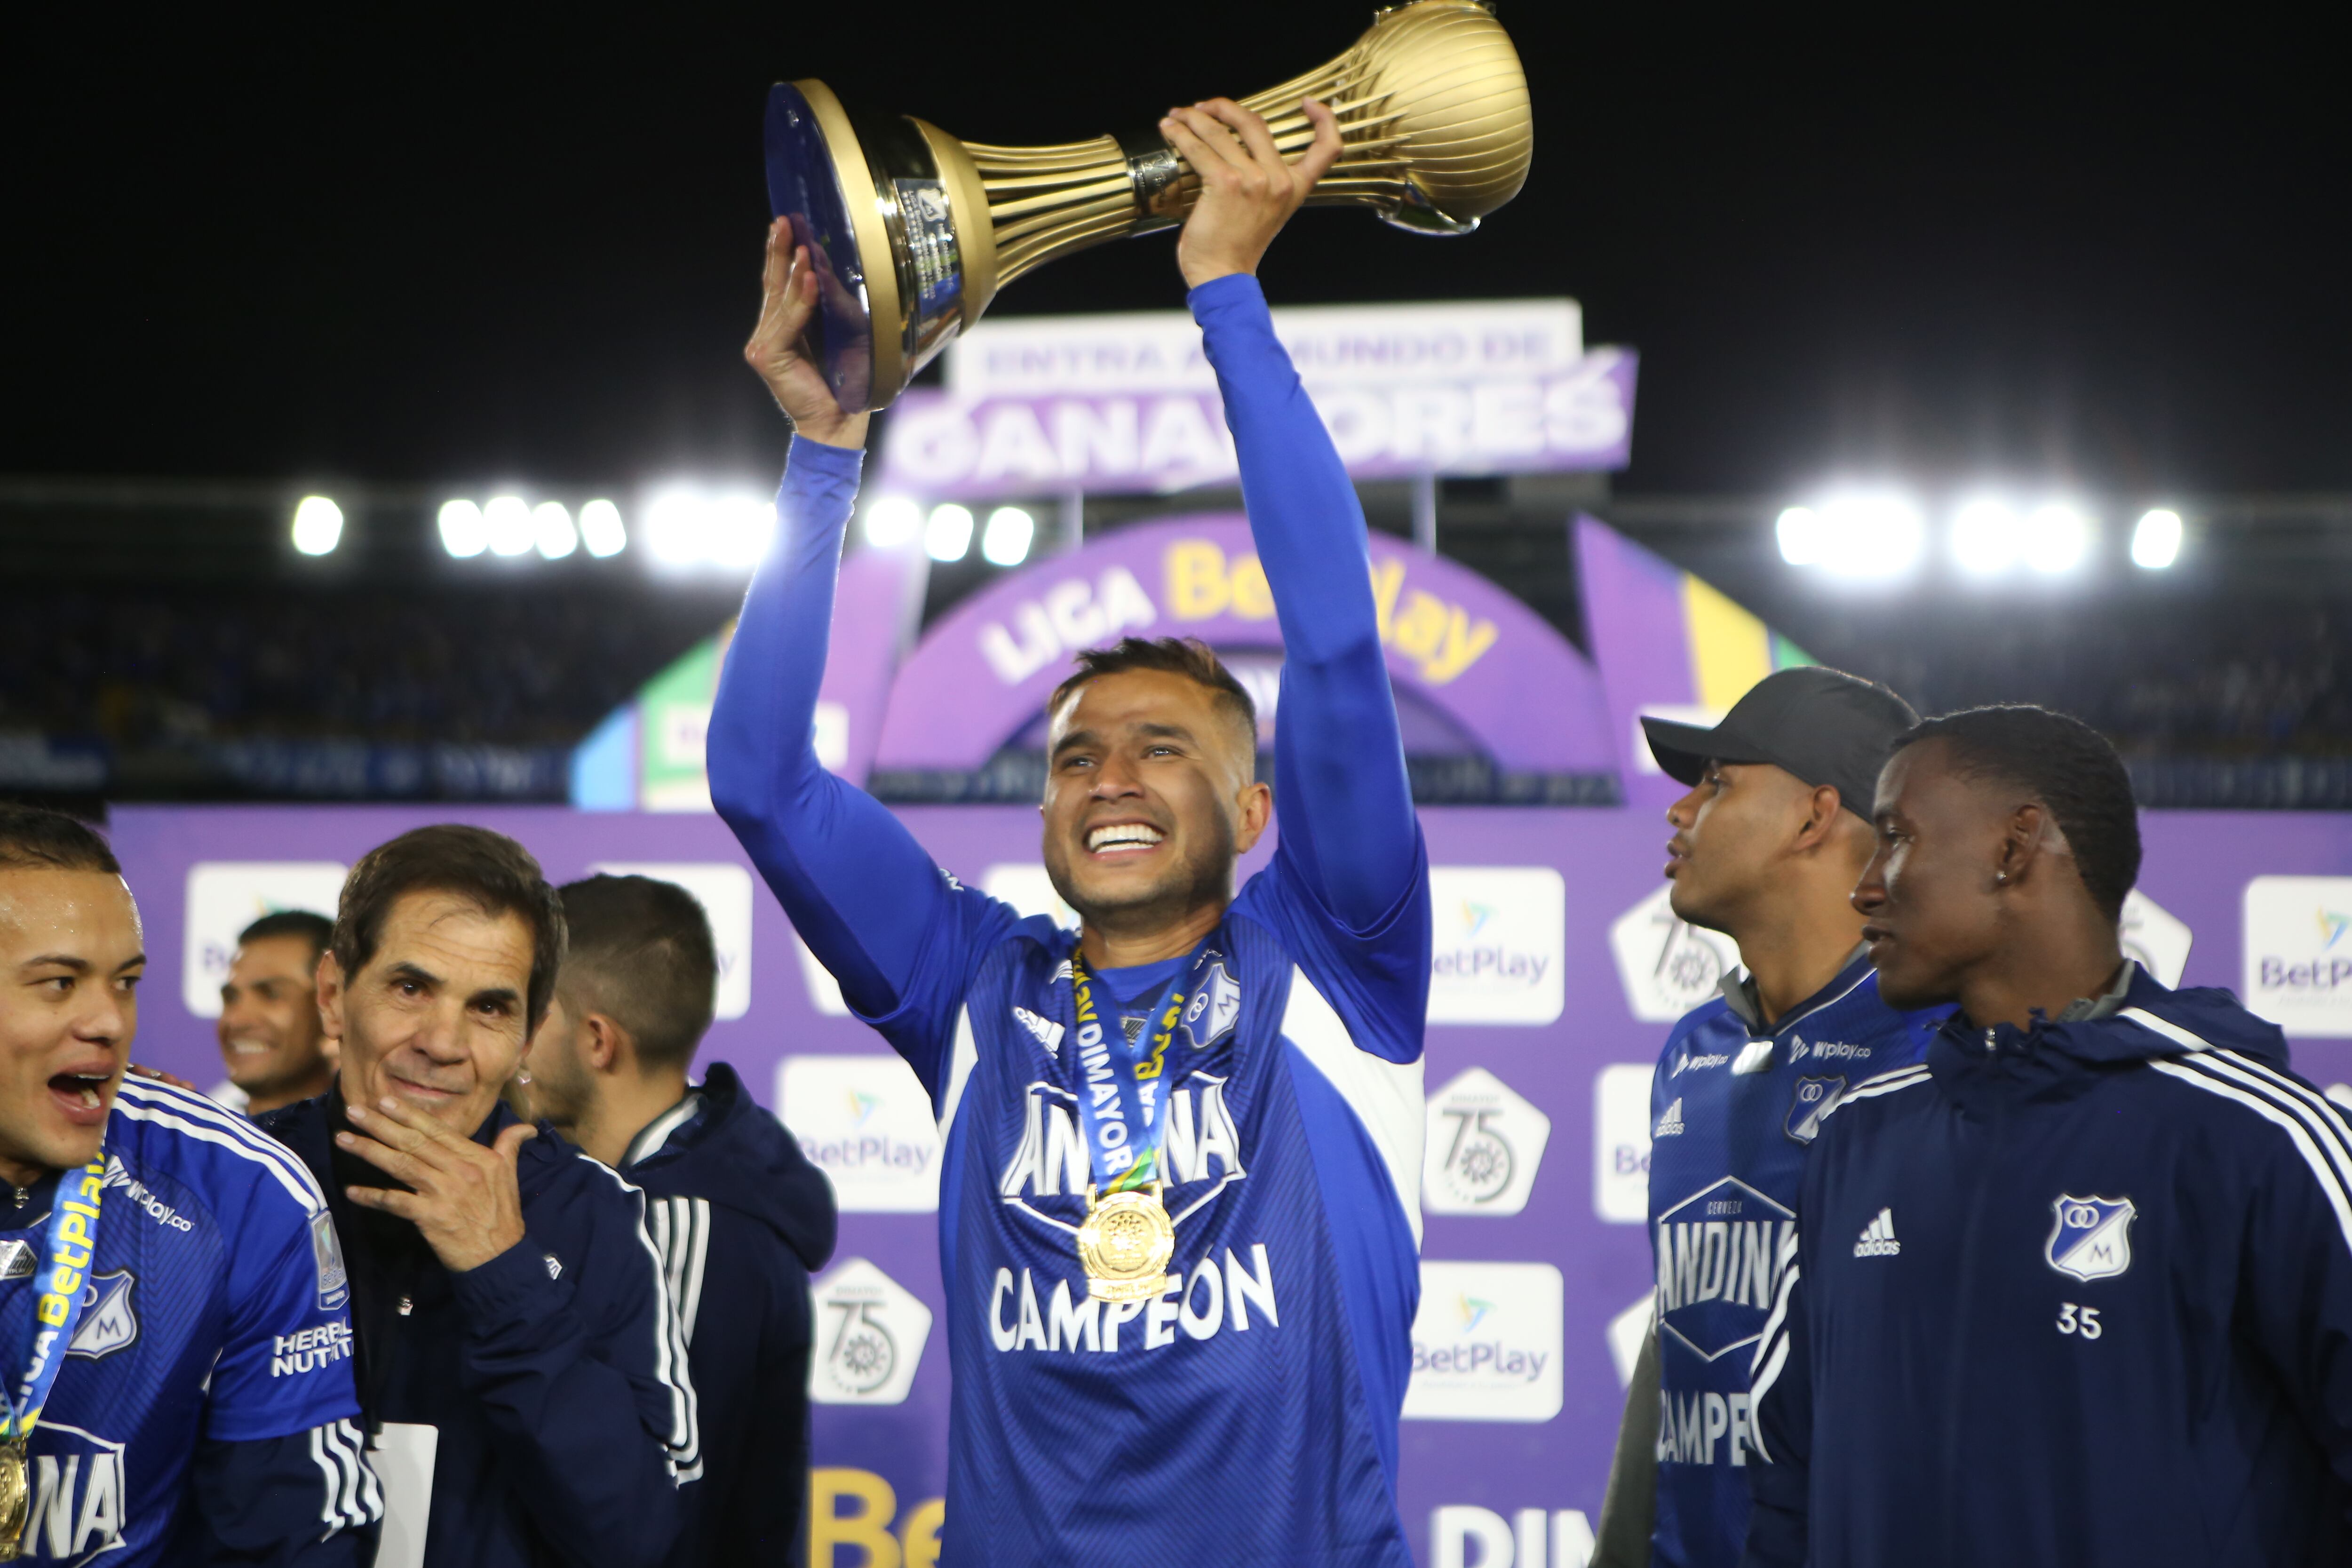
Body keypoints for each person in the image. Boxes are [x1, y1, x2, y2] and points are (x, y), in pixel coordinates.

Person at [711, 96, 1430, 1567]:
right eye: (1076, 756)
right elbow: (762, 784)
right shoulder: (971, 984)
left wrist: (1225, 291)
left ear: (1252, 808)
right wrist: (824, 454)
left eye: (1162, 749)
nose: (1109, 777)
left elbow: (1341, 651)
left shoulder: (1338, 958)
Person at [1745, 706, 2352, 1567]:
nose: (1866, 884)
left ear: (2015, 845)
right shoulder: (1855, 1136)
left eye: (1897, 838)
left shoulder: (2262, 1139)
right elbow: (1786, 1474)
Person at [261, 825, 700, 1568]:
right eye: (411, 987)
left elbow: (634, 1536)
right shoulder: (240, 1188)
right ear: (335, 997)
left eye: (490, 1008)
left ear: (528, 1040)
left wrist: (504, 1273)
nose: (442, 1041)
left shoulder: (597, 1219)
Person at [1589, 669, 1950, 1568]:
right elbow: (1680, 1338)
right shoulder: (1696, 1047)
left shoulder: (1946, 1050)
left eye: (1716, 783)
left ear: (1812, 816)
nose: (1680, 812)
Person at [0, 804, 379, 1565]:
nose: (109, 1020)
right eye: (60, 982)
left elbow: (293, 1539)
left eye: (127, 981)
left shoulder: (243, 1195)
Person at [527, 872, 836, 1568]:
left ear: (597, 1041)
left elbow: (658, 1508)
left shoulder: (683, 1226)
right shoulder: (644, 1194)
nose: (506, 1041)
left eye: (529, 1013)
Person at [215, 908, 339, 1116]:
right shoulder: (192, 1137)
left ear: (333, 1005)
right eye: (231, 998)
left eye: (271, 994)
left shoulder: (384, 1143)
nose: (236, 1021)